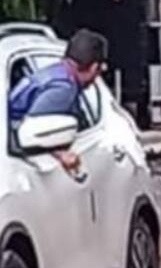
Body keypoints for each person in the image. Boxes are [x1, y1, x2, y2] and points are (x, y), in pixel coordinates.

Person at [8, 29, 108, 176]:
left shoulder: (55, 74)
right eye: (99, 70)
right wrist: (60, 153)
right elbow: (33, 129)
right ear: (94, 67)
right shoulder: (63, 88)